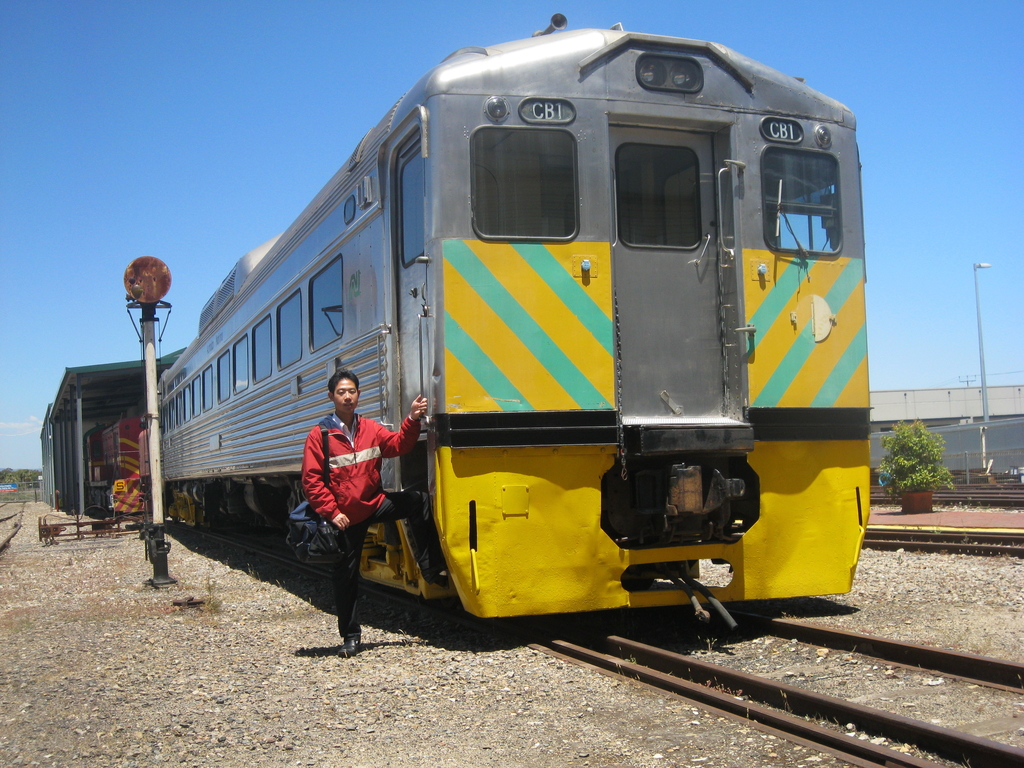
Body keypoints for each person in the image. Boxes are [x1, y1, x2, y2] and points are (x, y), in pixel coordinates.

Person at [301, 369, 445, 657]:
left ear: (358, 394)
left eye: (352, 391)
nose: (347, 396)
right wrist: (332, 512)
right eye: (341, 392)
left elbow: (398, 445)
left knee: (417, 501)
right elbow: (311, 481)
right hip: (345, 518)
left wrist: (412, 419)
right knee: (346, 577)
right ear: (331, 397)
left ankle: (431, 568)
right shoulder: (320, 436)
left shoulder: (369, 428)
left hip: (373, 503)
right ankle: (351, 637)